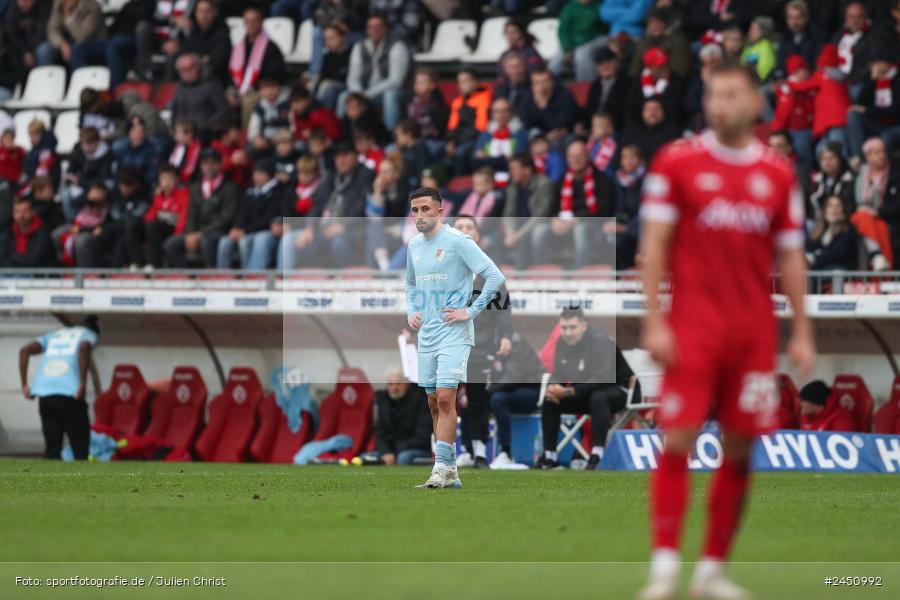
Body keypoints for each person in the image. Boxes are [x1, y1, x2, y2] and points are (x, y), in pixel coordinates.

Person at [637, 63, 815, 600]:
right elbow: (656, 245)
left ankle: (712, 570)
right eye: (713, 93)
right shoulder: (676, 162)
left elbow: (791, 256)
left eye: (732, 94)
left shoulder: (779, 174)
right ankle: (665, 567)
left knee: (740, 449)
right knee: (679, 438)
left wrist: (802, 330)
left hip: (753, 333)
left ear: (757, 103)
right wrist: (654, 318)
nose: (721, 104)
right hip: (692, 328)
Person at [405, 187, 505, 489]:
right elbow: (411, 285)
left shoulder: (458, 241)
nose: (420, 216)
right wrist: (413, 310)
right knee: (434, 402)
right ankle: (450, 471)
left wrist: (470, 311)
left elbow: (495, 277)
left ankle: (439, 468)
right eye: (415, 210)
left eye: (425, 209)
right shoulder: (413, 246)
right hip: (427, 335)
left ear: (439, 211)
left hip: (455, 332)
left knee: (447, 397)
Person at [535, 306, 632, 470]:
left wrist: (568, 391)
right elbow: (558, 374)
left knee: (599, 397)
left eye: (572, 327)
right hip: (587, 392)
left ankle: (597, 455)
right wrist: (553, 388)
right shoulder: (561, 343)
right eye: (564, 328)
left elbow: (602, 379)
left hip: (620, 390)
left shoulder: (600, 341)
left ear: (584, 326)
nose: (567, 332)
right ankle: (550, 457)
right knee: (551, 400)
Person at [451, 214, 513, 469]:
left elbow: (503, 309)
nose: (464, 231)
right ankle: (456, 449)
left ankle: (477, 450)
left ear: (477, 236)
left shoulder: (490, 273)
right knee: (447, 397)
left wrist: (506, 336)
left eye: (469, 227)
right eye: (459, 227)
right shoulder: (441, 270)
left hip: (479, 344)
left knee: (475, 397)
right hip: (448, 342)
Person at [19, 315, 99, 460]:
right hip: (70, 392)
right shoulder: (89, 334)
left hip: (45, 394)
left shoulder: (55, 334)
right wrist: (82, 383)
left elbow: (24, 351)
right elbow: (83, 347)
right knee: (80, 450)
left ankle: (50, 481)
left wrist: (24, 385)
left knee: (52, 451)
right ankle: (83, 481)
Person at [534, 137, 615, 268]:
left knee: (580, 230)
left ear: (588, 156)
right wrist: (554, 220)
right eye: (572, 156)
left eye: (579, 156)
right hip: (564, 224)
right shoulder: (562, 180)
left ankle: (581, 276)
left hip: (591, 224)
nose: (576, 160)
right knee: (540, 230)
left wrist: (576, 220)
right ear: (567, 159)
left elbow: (604, 209)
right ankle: (543, 277)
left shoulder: (601, 179)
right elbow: (552, 207)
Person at [164, 149, 240, 268]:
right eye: (205, 163)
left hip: (219, 231)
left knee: (207, 241)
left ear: (220, 165)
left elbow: (227, 216)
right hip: (196, 232)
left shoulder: (230, 187)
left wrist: (201, 234)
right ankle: (183, 277)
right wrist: (190, 234)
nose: (209, 167)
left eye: (213, 163)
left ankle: (212, 275)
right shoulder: (195, 187)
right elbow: (191, 213)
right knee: (171, 243)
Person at [343, 13, 410, 131]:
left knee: (390, 95)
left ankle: (392, 135)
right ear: (367, 29)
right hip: (364, 92)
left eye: (378, 26)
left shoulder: (397, 46)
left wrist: (368, 94)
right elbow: (353, 77)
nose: (375, 30)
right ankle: (346, 134)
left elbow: (396, 80)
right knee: (343, 97)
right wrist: (358, 95)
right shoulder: (359, 46)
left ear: (385, 28)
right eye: (371, 27)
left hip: (392, 92)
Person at [217, 159, 289, 270]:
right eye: (255, 173)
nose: (257, 177)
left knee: (245, 242)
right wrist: (236, 228)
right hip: (247, 230)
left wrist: (245, 231)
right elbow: (241, 213)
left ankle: (251, 276)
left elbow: (270, 218)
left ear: (269, 175)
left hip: (264, 231)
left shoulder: (279, 190)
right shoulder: (249, 191)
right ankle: (222, 275)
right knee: (224, 242)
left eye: (261, 174)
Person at [363, 367, 433, 465]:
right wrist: (386, 452)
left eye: (399, 383)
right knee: (365, 458)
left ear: (408, 384)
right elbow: (379, 434)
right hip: (392, 450)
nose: (394, 388)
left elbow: (423, 437)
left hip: (418, 449)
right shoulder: (383, 402)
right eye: (391, 384)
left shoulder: (421, 400)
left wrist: (394, 452)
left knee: (403, 457)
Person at [845, 47, 900, 166]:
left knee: (886, 137)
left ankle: (888, 171)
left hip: (895, 125)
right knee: (854, 114)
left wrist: (868, 111)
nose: (875, 67)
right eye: (872, 64)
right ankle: (858, 159)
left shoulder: (897, 79)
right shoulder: (872, 79)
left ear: (888, 63)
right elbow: (860, 103)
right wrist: (873, 80)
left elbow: (895, 110)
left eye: (877, 63)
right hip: (878, 124)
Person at [502, 153, 555, 269]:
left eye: (514, 169)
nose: (511, 173)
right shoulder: (513, 186)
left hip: (540, 224)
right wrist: (510, 232)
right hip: (519, 226)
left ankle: (541, 272)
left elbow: (540, 215)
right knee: (495, 236)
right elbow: (508, 213)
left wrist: (518, 235)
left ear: (527, 170)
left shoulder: (544, 184)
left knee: (538, 232)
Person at [851, 137, 893, 270]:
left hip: (883, 216)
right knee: (861, 217)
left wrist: (877, 212)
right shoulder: (860, 173)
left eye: (883, 152)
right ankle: (877, 256)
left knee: (869, 222)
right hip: (861, 217)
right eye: (877, 152)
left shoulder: (893, 174)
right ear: (867, 156)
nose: (882, 155)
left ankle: (877, 256)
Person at [171, 52, 231, 140]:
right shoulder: (179, 88)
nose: (187, 72)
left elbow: (223, 111)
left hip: (204, 135)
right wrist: (175, 130)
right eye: (183, 69)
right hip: (180, 136)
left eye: (191, 68)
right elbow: (175, 112)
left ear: (199, 67)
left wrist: (202, 127)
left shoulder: (212, 85)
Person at [140, 164, 190, 269]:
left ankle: (155, 263)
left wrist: (178, 234)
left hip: (174, 229)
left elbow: (183, 217)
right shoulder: (159, 196)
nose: (167, 182)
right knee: (135, 225)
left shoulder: (184, 194)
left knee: (152, 226)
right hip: (158, 230)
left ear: (177, 180)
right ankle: (135, 263)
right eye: (163, 179)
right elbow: (150, 215)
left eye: (170, 178)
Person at [550, 0, 607, 83]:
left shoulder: (597, 6)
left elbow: (603, 28)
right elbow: (563, 31)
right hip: (572, 41)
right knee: (557, 58)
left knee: (581, 54)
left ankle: (585, 85)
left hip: (591, 40)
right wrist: (567, 47)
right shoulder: (570, 7)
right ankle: (546, 81)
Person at [40, 0, 106, 68]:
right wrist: (62, 44)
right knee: (45, 50)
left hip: (93, 42)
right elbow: (52, 29)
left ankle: (79, 77)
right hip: (68, 41)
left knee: (76, 49)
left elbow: (81, 36)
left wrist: (68, 16)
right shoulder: (59, 3)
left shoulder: (91, 6)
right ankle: (50, 77)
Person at [806, 194, 859, 270]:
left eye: (838, 206)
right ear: (825, 209)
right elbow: (810, 248)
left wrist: (815, 256)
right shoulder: (818, 230)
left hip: (840, 271)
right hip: (820, 270)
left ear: (843, 209)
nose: (834, 209)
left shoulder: (848, 229)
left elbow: (836, 253)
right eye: (830, 206)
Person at [583, 47, 630, 131]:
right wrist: (582, 124)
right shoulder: (595, 85)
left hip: (616, 130)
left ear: (616, 63)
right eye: (600, 63)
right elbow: (588, 110)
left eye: (608, 62)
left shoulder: (627, 83)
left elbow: (625, 113)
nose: (604, 66)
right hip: (593, 129)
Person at [0, 197, 56, 267]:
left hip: (39, 277)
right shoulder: (8, 233)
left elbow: (32, 261)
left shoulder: (42, 234)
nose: (21, 216)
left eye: (25, 211)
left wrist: (10, 256)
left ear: (33, 212)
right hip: (11, 276)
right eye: (17, 211)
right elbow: (1, 258)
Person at [808, 142, 855, 224]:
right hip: (819, 221)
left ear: (839, 159)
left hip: (841, 221)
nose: (827, 163)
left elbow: (848, 206)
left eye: (831, 158)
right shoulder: (817, 180)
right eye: (823, 159)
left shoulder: (849, 179)